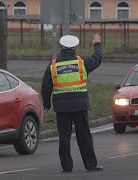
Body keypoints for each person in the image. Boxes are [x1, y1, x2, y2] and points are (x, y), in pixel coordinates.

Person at [41, 34, 103, 173]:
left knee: (64, 137)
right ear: (74, 47)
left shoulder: (53, 65)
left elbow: (46, 86)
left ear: (62, 47)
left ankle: (67, 167)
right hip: (80, 105)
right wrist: (97, 45)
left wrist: (46, 104)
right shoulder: (82, 62)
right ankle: (90, 165)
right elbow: (97, 59)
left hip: (62, 107)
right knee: (84, 136)